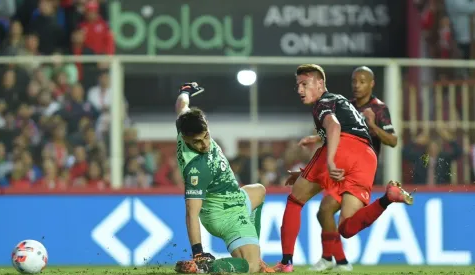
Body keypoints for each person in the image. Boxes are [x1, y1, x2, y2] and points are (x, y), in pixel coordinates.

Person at [273, 64, 414, 273]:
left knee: (295, 200)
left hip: (341, 150)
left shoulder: (324, 102)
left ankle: (286, 262)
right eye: (298, 86)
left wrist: (329, 161)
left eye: (304, 84)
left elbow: (334, 126)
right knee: (346, 227)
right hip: (367, 158)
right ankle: (388, 198)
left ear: (320, 83)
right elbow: (343, 129)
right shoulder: (345, 102)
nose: (300, 90)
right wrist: (308, 170)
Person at [173, 83, 274, 274]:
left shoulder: (186, 123)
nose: (204, 145)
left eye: (206, 137)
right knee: (250, 268)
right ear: (185, 139)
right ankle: (205, 267)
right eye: (197, 142)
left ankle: (253, 253)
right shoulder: (196, 168)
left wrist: (185, 92)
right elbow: (191, 213)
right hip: (225, 214)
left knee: (259, 191)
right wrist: (198, 252)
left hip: (234, 198)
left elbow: (181, 106)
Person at [309, 66, 398, 271]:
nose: (357, 86)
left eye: (362, 81)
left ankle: (337, 260)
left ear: (371, 84)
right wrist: (315, 138)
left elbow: (393, 140)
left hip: (361, 171)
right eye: (354, 82)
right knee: (324, 212)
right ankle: (333, 259)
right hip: (342, 168)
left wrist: (373, 126)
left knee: (345, 225)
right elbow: (334, 132)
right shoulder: (345, 105)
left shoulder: (379, 109)